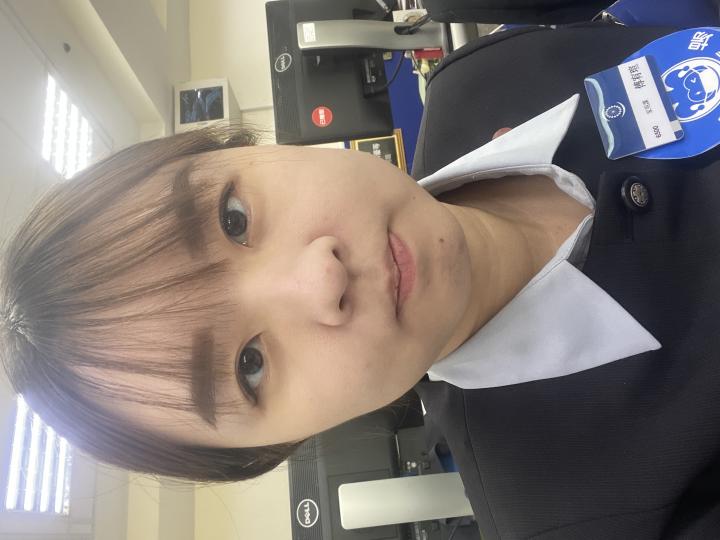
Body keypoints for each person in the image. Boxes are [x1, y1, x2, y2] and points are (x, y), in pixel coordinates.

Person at [1, 18, 719, 540]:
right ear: (282, 444)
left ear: (248, 147)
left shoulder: (479, 80)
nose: (321, 281)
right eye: (249, 367)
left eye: (233, 217)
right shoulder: (586, 515)